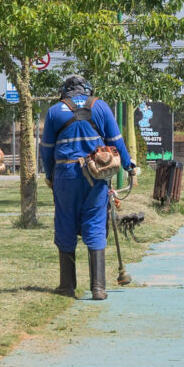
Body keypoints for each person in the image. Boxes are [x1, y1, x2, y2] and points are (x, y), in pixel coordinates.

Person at [40, 75, 135, 300]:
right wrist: (129, 166)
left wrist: (50, 175)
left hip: (66, 175)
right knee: (94, 222)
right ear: (87, 90)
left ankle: (67, 286)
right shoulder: (100, 106)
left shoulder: (54, 111)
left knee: (65, 223)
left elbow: (46, 149)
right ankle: (98, 288)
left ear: (64, 91)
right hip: (96, 173)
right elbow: (116, 141)